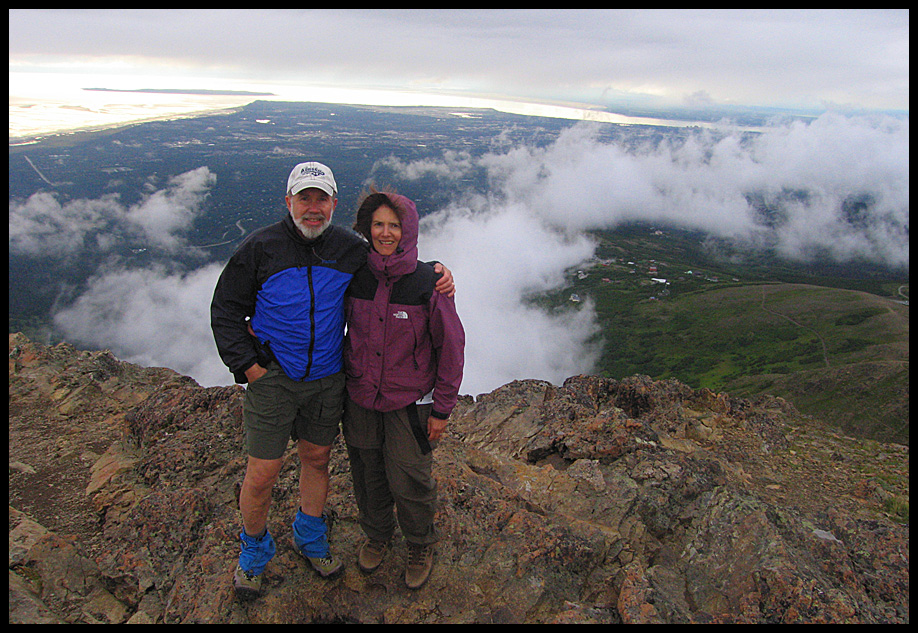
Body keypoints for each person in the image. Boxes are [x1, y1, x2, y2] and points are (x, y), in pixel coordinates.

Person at [210, 163, 454, 599]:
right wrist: (247, 366)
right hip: (274, 379)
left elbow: (393, 262)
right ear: (288, 202)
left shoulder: (348, 250)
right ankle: (253, 553)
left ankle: (310, 536)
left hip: (327, 379)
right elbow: (226, 308)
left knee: (318, 460)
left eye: (321, 199)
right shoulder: (260, 248)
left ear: (334, 204)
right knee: (263, 473)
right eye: (304, 198)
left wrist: (437, 271)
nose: (313, 208)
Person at [342, 187, 465, 590]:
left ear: (408, 230)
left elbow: (451, 346)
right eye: (377, 224)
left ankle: (419, 543)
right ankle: (377, 535)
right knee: (367, 472)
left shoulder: (427, 282)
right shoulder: (355, 273)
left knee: (410, 477)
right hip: (359, 396)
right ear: (367, 228)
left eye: (394, 225)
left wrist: (442, 409)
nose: (385, 232)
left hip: (408, 403)